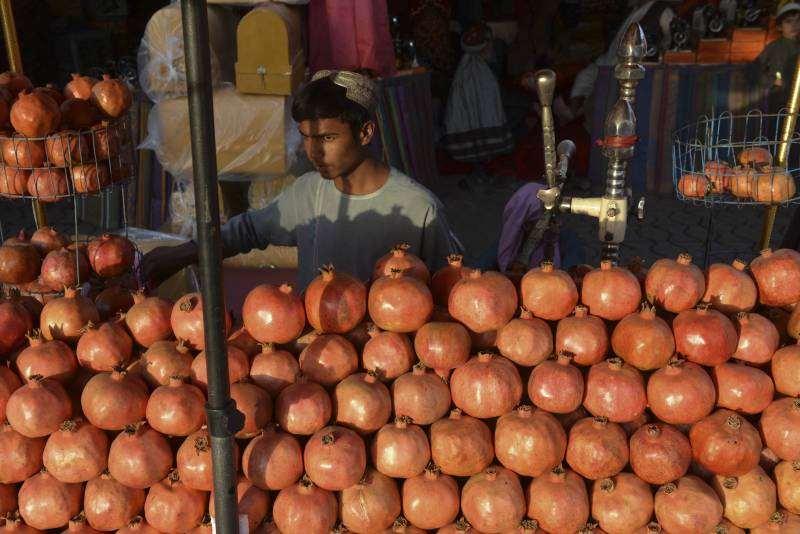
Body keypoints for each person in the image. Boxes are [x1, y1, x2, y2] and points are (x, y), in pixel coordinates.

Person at [143, 70, 459, 290]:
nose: (313, 151)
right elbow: (248, 230)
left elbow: (450, 284)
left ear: (365, 133)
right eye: (306, 138)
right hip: (316, 357)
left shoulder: (418, 208)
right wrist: (183, 254)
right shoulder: (307, 192)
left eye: (327, 137)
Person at [751, 1, 800, 108]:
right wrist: (774, 81)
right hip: (781, 101)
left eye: (797, 20)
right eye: (788, 21)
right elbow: (753, 71)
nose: (794, 25)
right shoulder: (774, 47)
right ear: (779, 26)